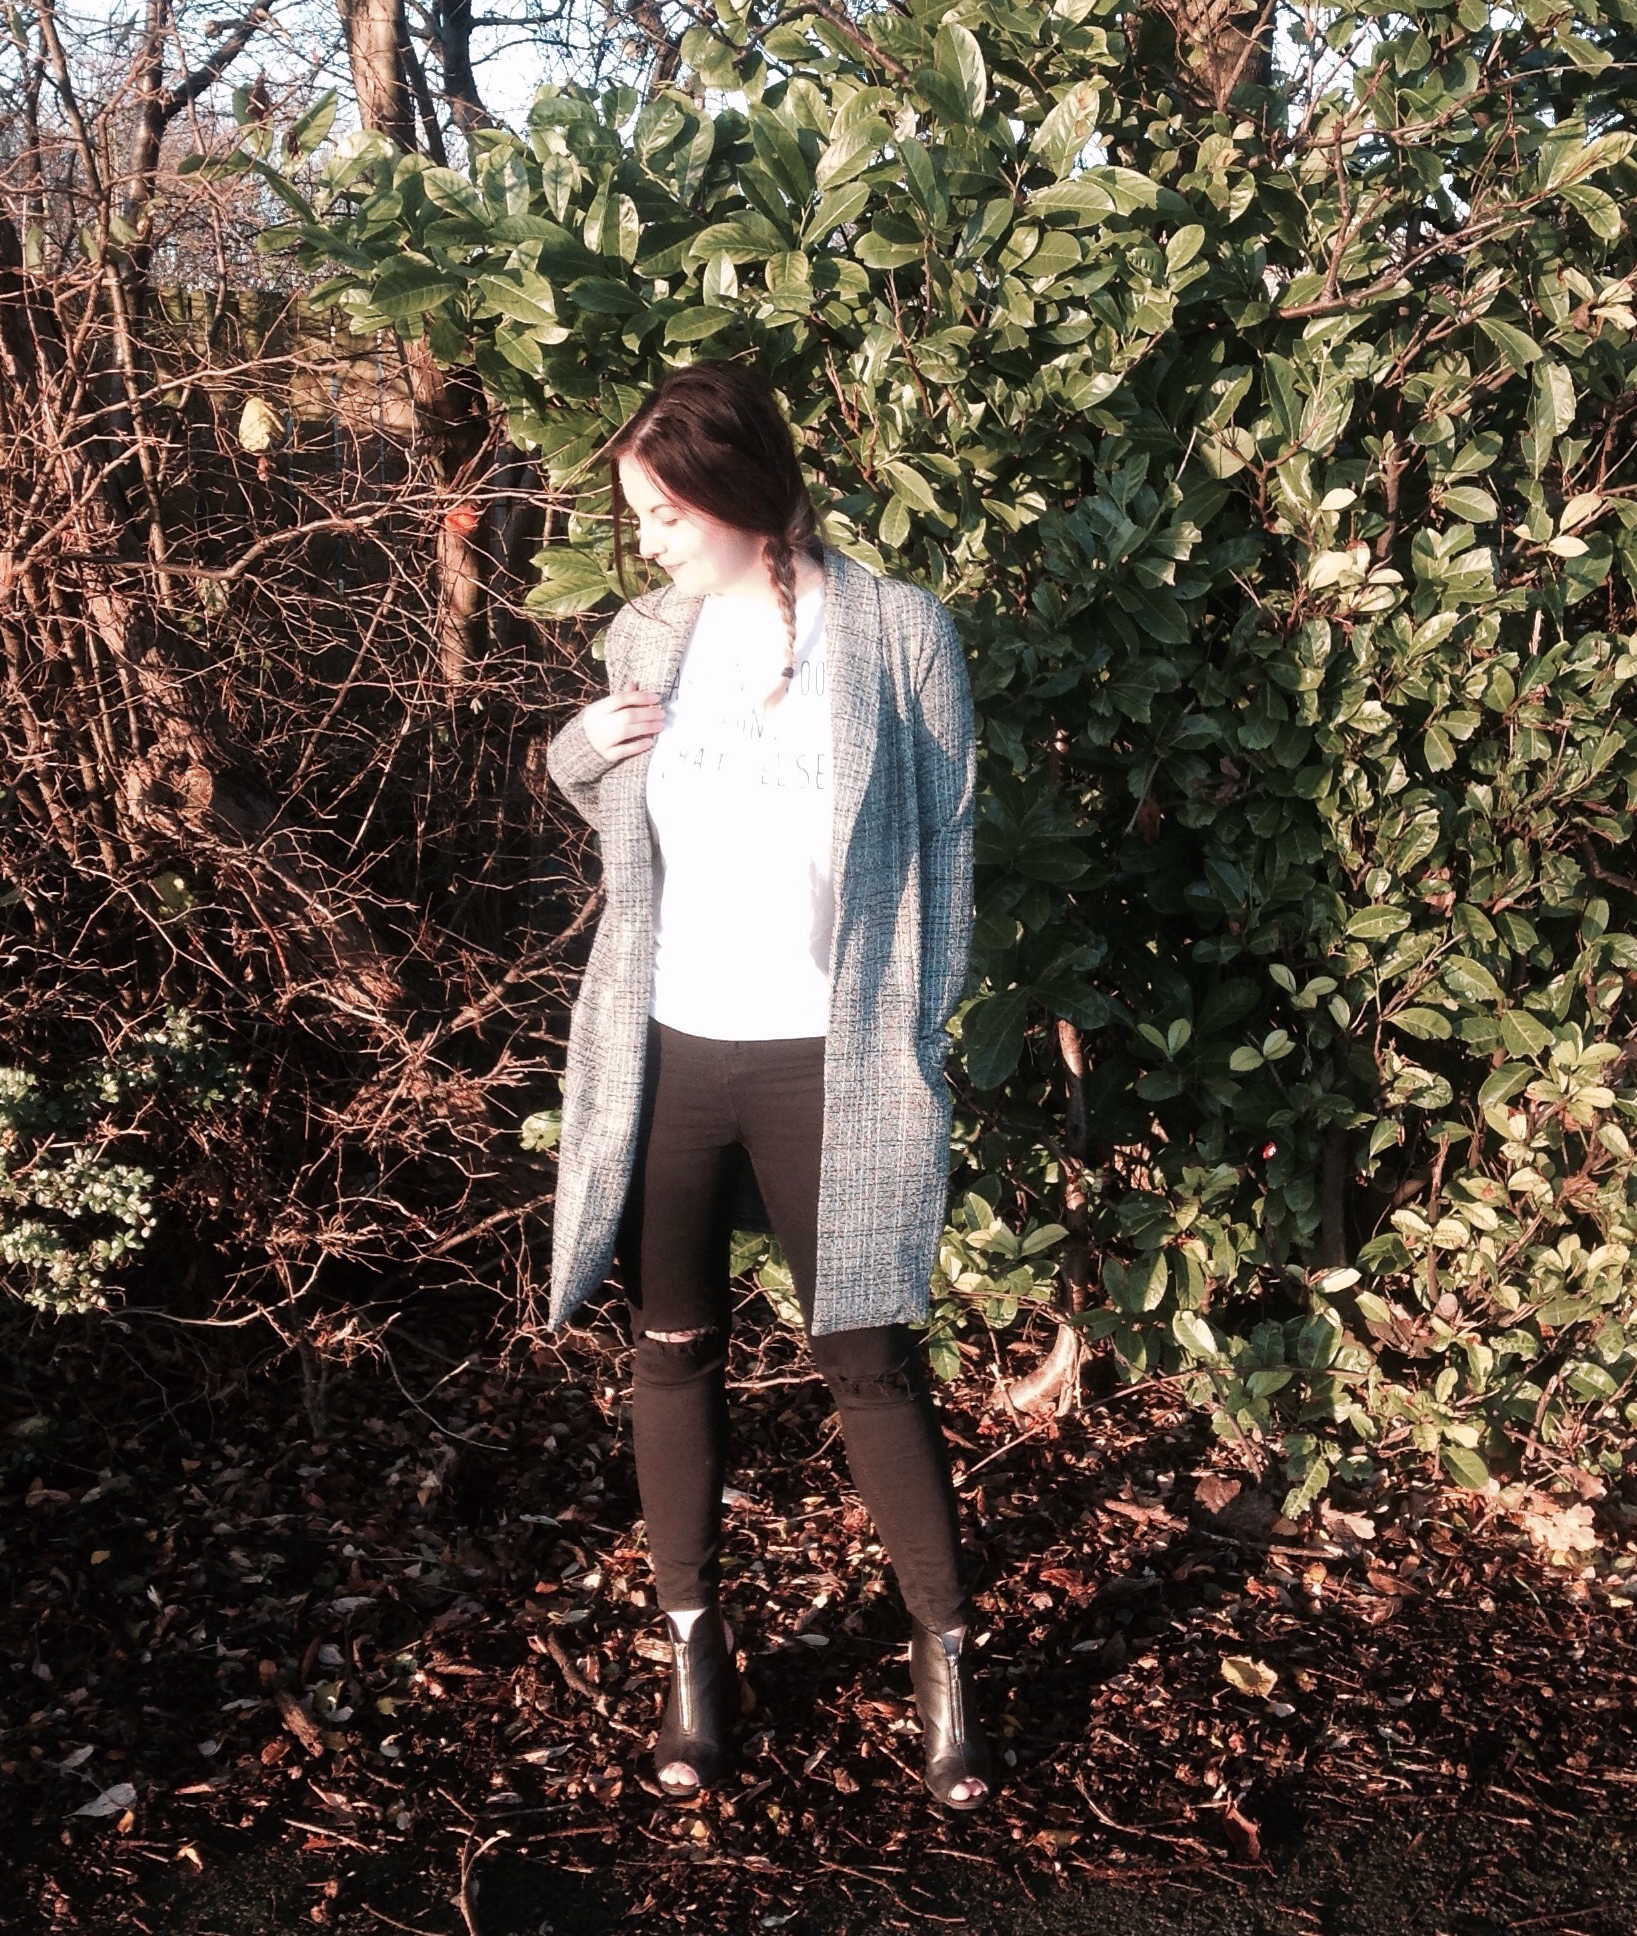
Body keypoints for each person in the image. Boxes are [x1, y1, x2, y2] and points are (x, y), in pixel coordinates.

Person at [541, 360, 995, 1811]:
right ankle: (695, 1656)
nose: (648, 541)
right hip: (670, 1051)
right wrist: (576, 747)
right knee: (671, 1352)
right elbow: (601, 796)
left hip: (829, 1060)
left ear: (740, 493)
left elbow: (949, 846)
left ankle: (945, 1656)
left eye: (665, 514)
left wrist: (913, 1032)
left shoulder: (898, 634)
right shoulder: (647, 634)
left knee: (867, 1360)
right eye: (640, 516)